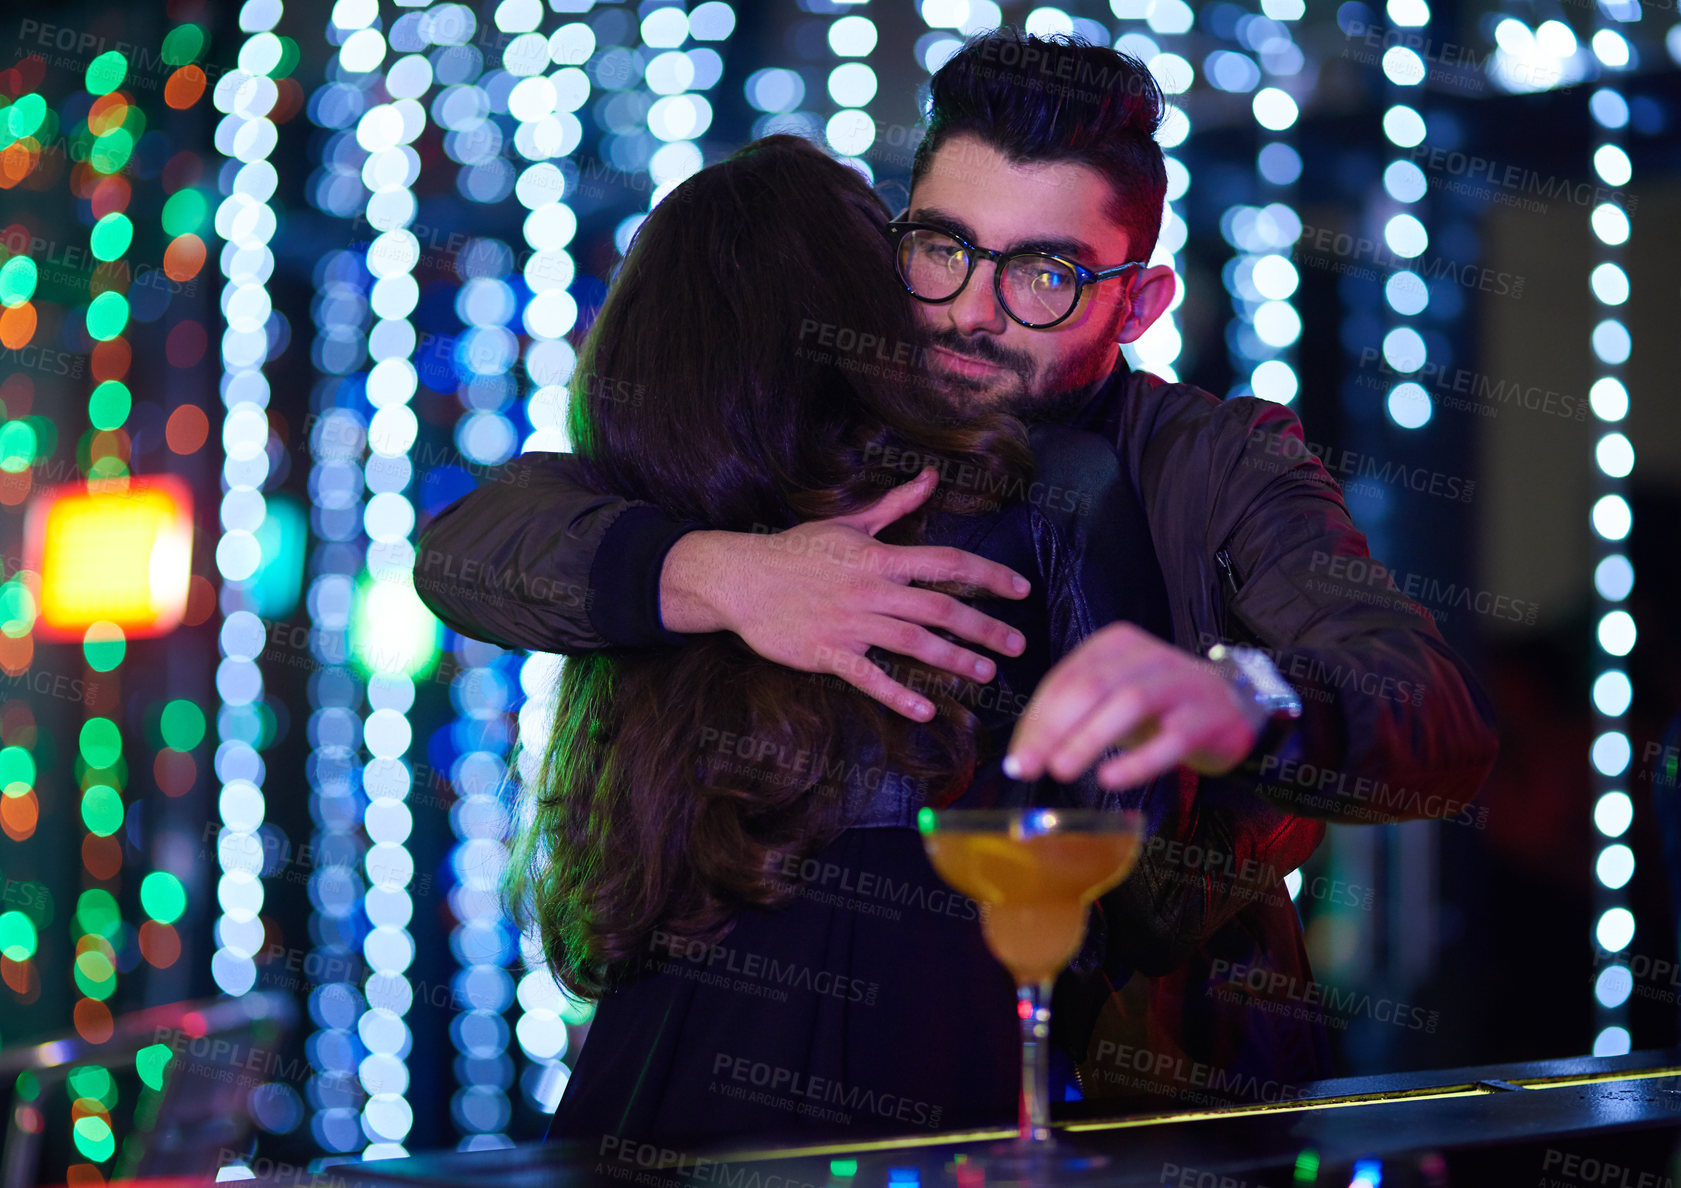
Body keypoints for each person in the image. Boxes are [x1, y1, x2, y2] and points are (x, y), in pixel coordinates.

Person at [420, 31, 1498, 1123]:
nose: (971, 310)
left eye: (1044, 274)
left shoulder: (1217, 458)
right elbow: (473, 545)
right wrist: (724, 576)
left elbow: (1432, 717)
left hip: (1148, 1085)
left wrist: (1240, 701)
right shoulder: (824, 417)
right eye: (941, 247)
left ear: (1139, 305)